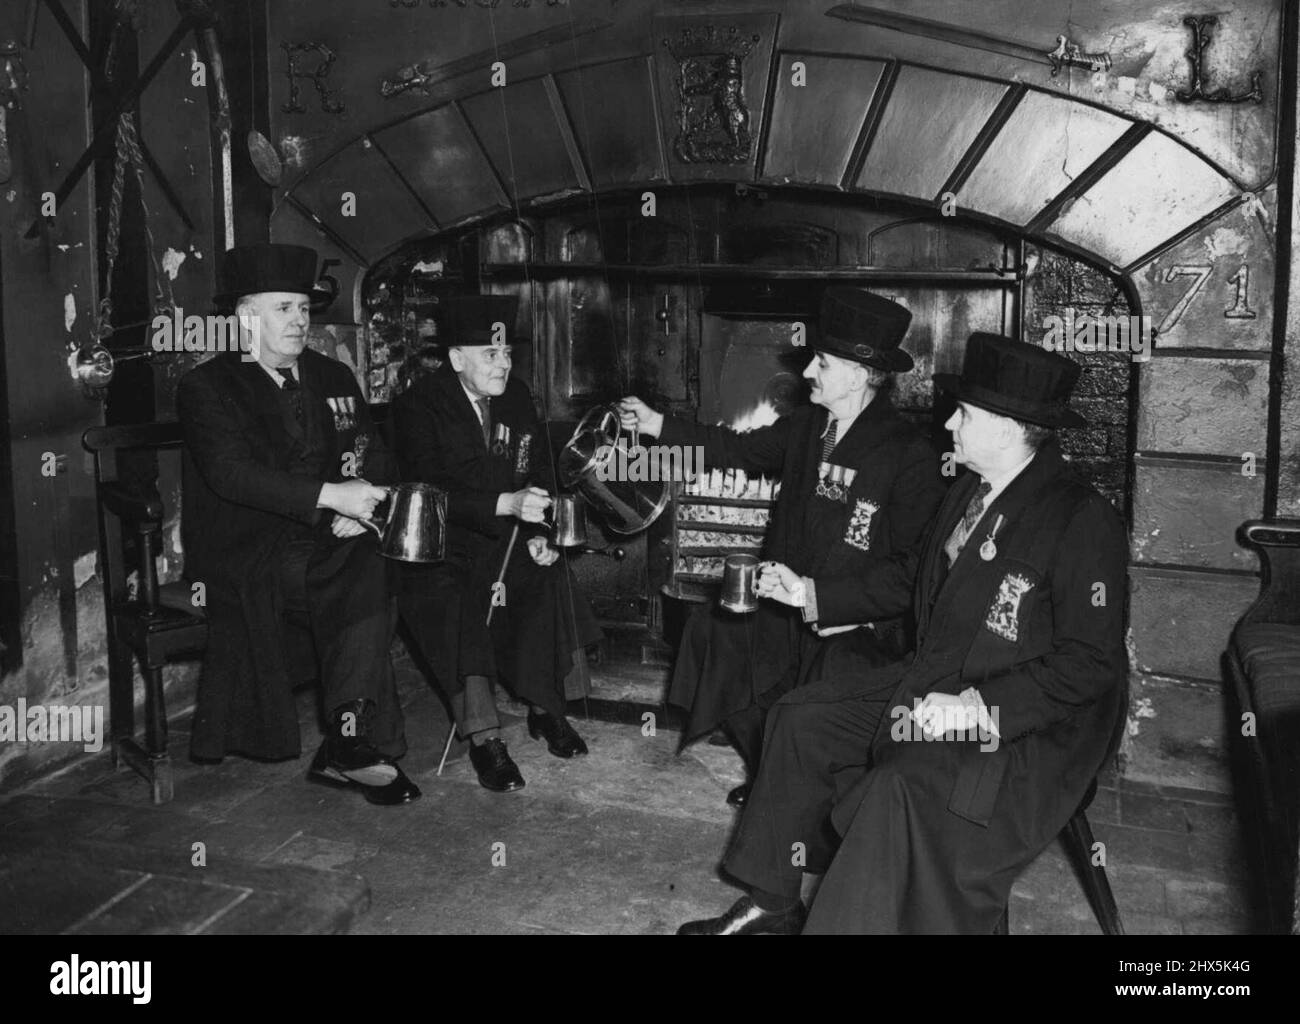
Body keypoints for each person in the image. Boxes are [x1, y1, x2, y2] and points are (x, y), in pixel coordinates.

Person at [678, 332, 1127, 934]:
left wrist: (977, 710)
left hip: (1027, 727)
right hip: (933, 682)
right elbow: (914, 578)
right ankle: (773, 901)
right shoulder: (970, 490)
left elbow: (1090, 665)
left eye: (964, 415)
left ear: (1008, 427)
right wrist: (811, 594)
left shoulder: (1079, 518)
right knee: (799, 718)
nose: (949, 429)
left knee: (898, 788)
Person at [619, 288, 943, 805]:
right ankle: (772, 769)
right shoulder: (808, 425)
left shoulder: (910, 456)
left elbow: (913, 569)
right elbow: (735, 448)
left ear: (859, 375)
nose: (808, 370)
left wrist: (832, 602)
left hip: (846, 621)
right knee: (711, 635)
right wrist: (658, 424)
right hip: (782, 602)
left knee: (825, 691)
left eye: (823, 362)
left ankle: (802, 795)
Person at [177, 243, 419, 805]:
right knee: (368, 584)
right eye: (283, 308)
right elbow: (233, 477)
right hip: (248, 546)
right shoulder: (208, 387)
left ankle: (347, 743)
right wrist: (335, 496)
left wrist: (367, 509)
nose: (299, 320)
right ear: (245, 316)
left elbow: (374, 455)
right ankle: (353, 741)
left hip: (328, 538)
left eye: (304, 309)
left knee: (370, 560)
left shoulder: (332, 374)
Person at [392, 294, 602, 792]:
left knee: (547, 573)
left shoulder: (516, 395)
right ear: (457, 358)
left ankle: (545, 708)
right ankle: (485, 738)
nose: (503, 363)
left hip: (507, 538)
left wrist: (540, 532)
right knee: (459, 602)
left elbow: (537, 472)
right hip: (441, 546)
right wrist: (504, 505)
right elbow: (428, 491)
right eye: (490, 354)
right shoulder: (418, 406)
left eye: (507, 353)